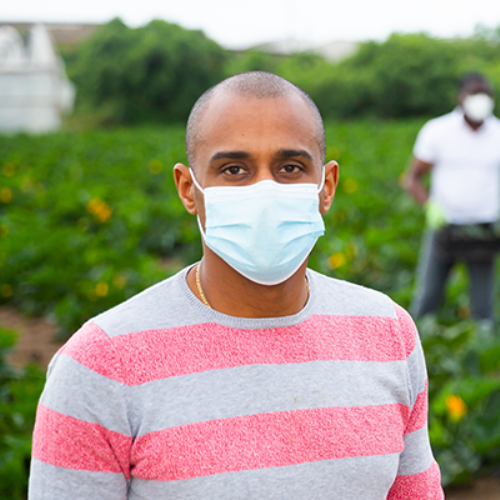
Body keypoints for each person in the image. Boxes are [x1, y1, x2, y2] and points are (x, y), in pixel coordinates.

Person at [29, 71, 443, 499]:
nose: (265, 189)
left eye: (289, 167)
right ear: (189, 190)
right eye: (234, 169)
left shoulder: (388, 334)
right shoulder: (100, 365)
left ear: (327, 186)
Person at [405, 72, 500, 323]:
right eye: (474, 94)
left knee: (484, 306)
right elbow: (412, 178)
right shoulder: (438, 130)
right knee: (427, 297)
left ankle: (485, 357)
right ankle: (417, 352)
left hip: (484, 229)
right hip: (445, 226)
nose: (480, 101)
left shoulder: (498, 133)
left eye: (485, 95)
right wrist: (430, 207)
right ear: (461, 97)